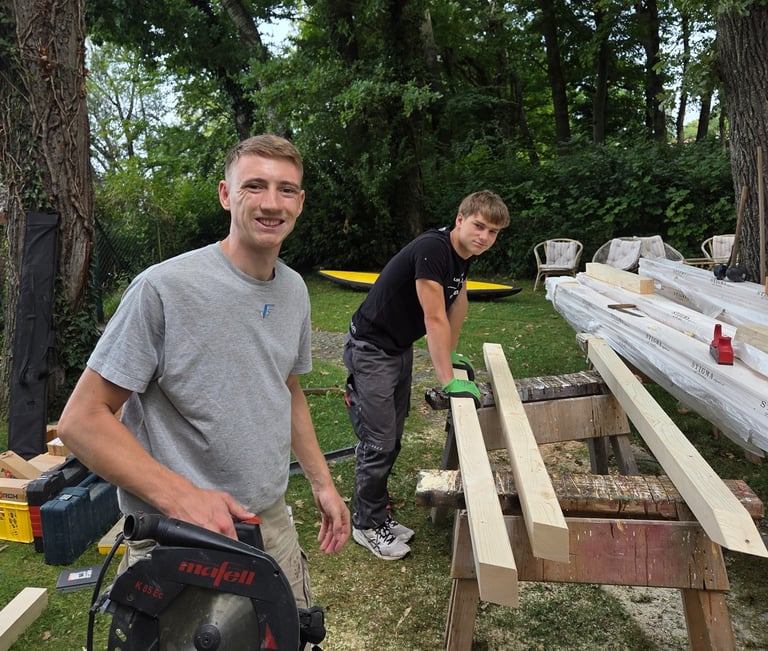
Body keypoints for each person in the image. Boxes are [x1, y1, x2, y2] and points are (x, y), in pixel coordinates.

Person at [58, 134, 350, 610]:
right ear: (224, 194)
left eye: (286, 189)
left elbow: (288, 387)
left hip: (267, 520)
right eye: (254, 186)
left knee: (288, 635)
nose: (271, 203)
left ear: (300, 201)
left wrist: (323, 483)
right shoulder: (163, 289)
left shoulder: (294, 289)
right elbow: (82, 420)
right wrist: (183, 497)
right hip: (177, 535)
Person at [343, 190, 510, 560]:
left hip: (396, 348)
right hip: (370, 348)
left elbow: (458, 304)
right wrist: (447, 378)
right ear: (460, 219)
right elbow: (433, 317)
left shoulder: (462, 256)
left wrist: (450, 354)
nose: (484, 236)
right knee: (378, 441)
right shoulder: (433, 249)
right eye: (479, 226)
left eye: (493, 232)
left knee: (392, 437)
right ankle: (366, 524)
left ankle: (377, 512)